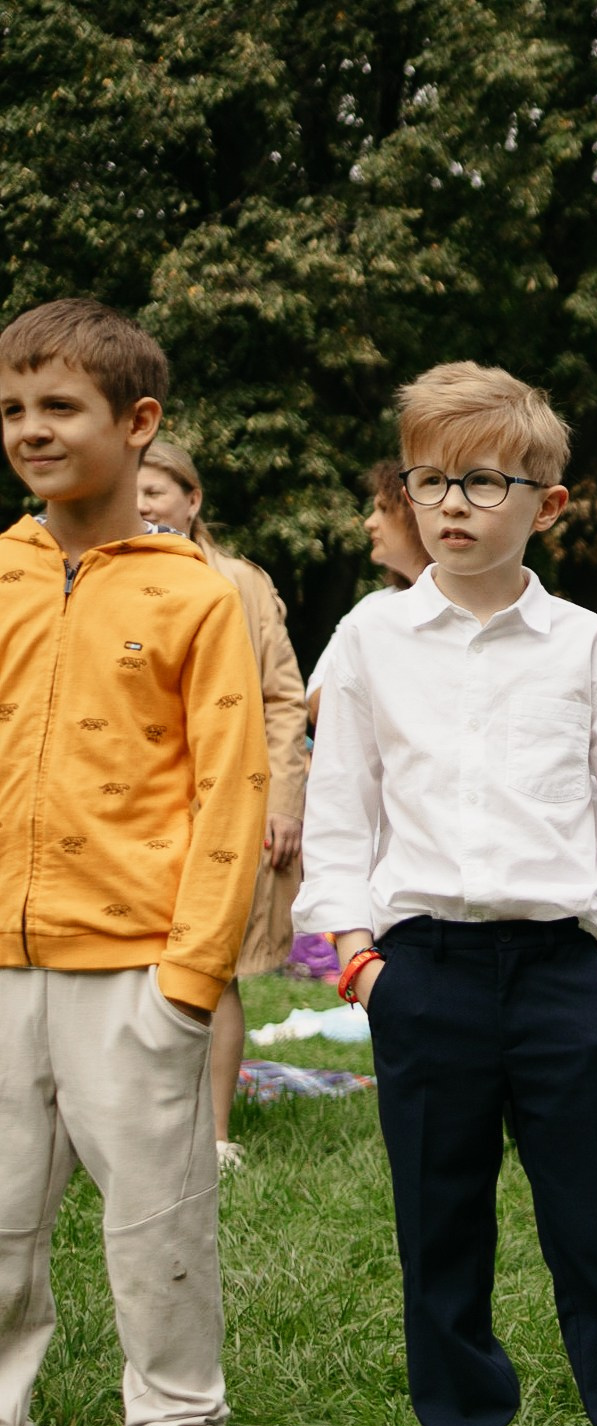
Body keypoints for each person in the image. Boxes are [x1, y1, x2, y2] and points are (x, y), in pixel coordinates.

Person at [297, 362, 597, 1426]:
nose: (453, 504)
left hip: (563, 973)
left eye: (484, 480)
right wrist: (360, 973)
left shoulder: (584, 646)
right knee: (441, 1231)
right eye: (429, 480)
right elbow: (334, 832)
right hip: (422, 975)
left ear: (549, 504)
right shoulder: (369, 639)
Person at [0, 299, 267, 1426]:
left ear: (138, 422)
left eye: (59, 408)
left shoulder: (196, 596)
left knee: (155, 1219)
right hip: (1, 963)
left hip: (133, 967)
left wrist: (188, 979)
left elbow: (232, 789)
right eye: (12, 409)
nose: (30, 430)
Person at [136, 441, 309, 1171]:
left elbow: (282, 697)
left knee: (219, 964)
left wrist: (283, 800)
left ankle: (214, 1134)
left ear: (192, 499)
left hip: (224, 802)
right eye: (134, 488)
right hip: (135, 806)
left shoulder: (238, 581)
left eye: (158, 489)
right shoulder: (96, 573)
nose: (145, 503)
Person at [305, 460, 431, 730]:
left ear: (417, 515)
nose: (369, 523)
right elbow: (319, 704)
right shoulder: (373, 606)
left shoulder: (475, 604)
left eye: (383, 509)